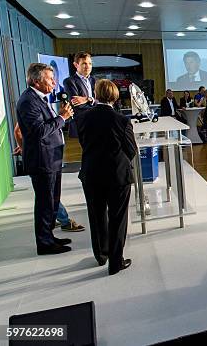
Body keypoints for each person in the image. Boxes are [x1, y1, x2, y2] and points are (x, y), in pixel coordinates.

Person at [77, 79, 136, 274]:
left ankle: (101, 256)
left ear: (96, 94)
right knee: (118, 218)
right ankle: (116, 262)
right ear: (115, 96)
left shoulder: (83, 118)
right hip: (117, 175)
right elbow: (131, 149)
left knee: (96, 215)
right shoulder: (121, 120)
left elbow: (84, 143)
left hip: (91, 173)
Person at [16, 63, 74, 255]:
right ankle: (44, 243)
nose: (54, 82)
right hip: (42, 161)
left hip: (51, 159)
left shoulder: (39, 98)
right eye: (50, 79)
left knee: (52, 201)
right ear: (36, 81)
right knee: (44, 203)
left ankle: (49, 237)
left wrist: (61, 118)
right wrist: (62, 118)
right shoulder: (28, 101)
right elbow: (38, 132)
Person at [13, 122, 84, 232]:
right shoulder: (33, 108)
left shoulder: (40, 109)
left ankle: (52, 219)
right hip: (43, 159)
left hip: (46, 157)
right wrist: (24, 148)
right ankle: (63, 221)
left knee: (47, 193)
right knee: (48, 194)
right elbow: (18, 131)